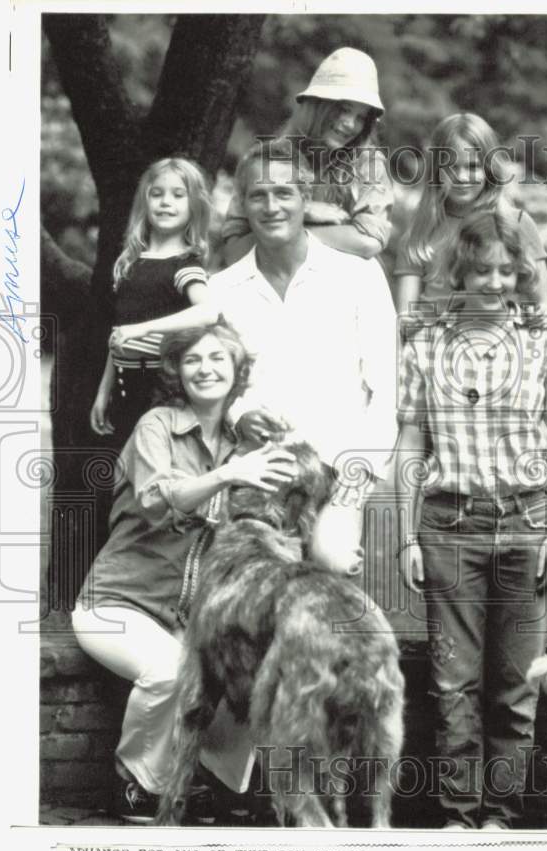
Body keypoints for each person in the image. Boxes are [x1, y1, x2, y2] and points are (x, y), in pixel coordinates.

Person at [111, 138, 399, 577]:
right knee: (247, 576)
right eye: (257, 195)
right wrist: (240, 416)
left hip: (342, 469)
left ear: (305, 199)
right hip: (255, 469)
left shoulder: (358, 276)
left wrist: (352, 488)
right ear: (242, 205)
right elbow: (210, 385)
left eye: (284, 193)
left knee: (330, 559)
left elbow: (386, 395)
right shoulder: (221, 290)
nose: (272, 206)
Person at [395, 208, 547, 830]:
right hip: (450, 527)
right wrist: (405, 536)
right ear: (460, 271)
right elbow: (410, 445)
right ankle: (456, 814)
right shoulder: (426, 344)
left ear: (523, 274)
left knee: (514, 687)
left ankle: (500, 815)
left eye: (508, 271)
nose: (496, 282)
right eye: (482, 270)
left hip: (527, 524)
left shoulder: (544, 343)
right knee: (452, 686)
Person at [72, 323, 296, 823]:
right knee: (172, 669)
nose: (206, 368)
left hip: (185, 617)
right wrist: (225, 475)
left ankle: (218, 783)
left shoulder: (244, 441)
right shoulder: (158, 425)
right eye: (193, 360)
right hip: (115, 604)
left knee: (252, 670)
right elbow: (155, 501)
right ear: (176, 371)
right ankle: (135, 784)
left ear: (237, 371)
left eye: (218, 358)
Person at [221, 47, 394, 264]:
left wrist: (291, 228)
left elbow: (369, 242)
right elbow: (234, 251)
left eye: (361, 117)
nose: (350, 125)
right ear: (317, 104)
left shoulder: (370, 163)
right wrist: (304, 212)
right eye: (343, 109)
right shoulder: (266, 160)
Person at [395, 112, 547, 326]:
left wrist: (541, 316)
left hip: (502, 343)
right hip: (438, 347)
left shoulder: (516, 224)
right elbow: (404, 315)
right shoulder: (419, 234)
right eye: (452, 167)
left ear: (489, 169)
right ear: (436, 171)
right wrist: (412, 323)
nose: (462, 177)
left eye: (473, 166)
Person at [90, 157, 212, 447]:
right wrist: (103, 391)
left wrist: (142, 330)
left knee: (154, 468)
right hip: (124, 387)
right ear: (144, 202)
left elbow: (208, 312)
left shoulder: (185, 265)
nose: (165, 202)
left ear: (194, 205)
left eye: (178, 195)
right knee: (123, 473)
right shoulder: (132, 263)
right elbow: (120, 334)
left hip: (162, 388)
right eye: (156, 194)